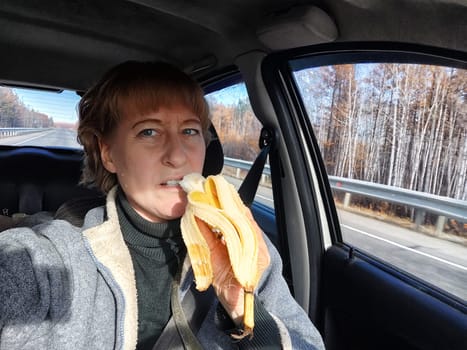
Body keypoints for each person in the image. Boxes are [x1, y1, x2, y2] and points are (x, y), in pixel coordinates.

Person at [0, 61, 325, 350]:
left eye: (189, 131)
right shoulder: (55, 255)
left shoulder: (245, 247)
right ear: (108, 153)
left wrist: (242, 305)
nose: (178, 156)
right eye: (149, 131)